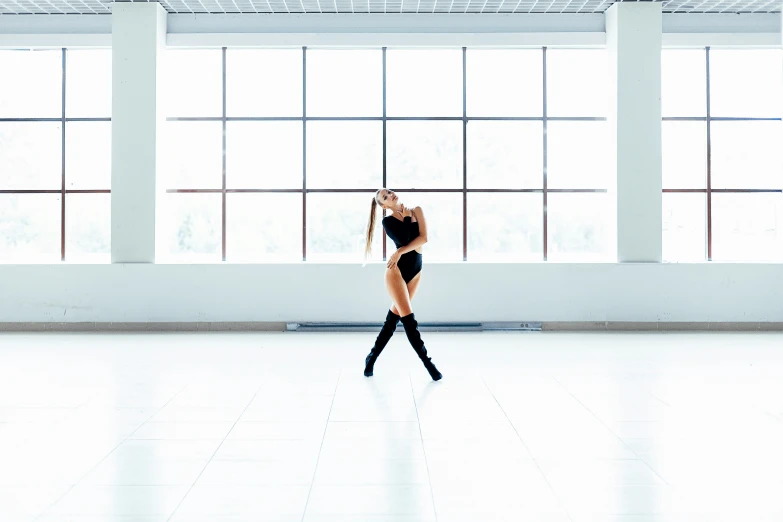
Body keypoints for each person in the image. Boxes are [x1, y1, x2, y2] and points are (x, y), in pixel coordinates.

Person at [362, 188, 442, 381]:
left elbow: (423, 238)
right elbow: (405, 240)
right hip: (396, 272)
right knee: (408, 320)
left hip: (415, 271)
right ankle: (429, 365)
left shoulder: (417, 210)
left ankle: (371, 357)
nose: (390, 194)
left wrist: (399, 251)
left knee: (392, 320)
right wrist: (406, 222)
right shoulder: (387, 222)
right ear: (384, 206)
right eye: (385, 197)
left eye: (389, 191)